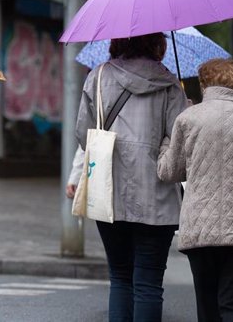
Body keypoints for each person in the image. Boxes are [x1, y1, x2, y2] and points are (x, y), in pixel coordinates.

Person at [68, 33, 187, 322]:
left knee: (120, 277)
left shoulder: (98, 77)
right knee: (148, 283)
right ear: (158, 45)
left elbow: (83, 134)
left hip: (108, 194)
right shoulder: (169, 83)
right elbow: (180, 143)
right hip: (156, 197)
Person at [158, 58, 233, 322]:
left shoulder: (188, 118)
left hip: (199, 228)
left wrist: (165, 145)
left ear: (205, 84)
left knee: (206, 307)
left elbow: (169, 172)